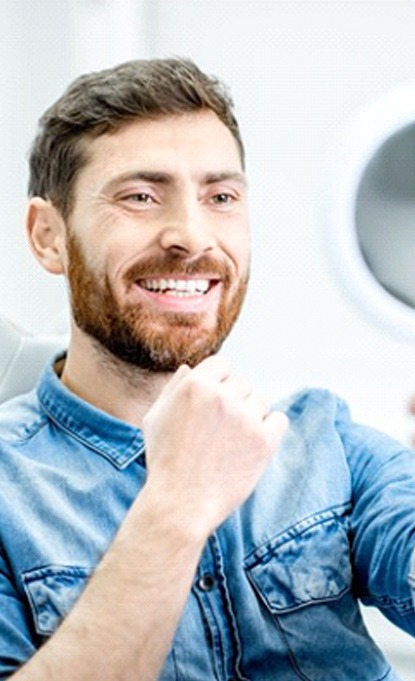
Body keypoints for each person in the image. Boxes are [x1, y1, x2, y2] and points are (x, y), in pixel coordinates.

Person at [0, 58, 414, 681]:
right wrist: (177, 501)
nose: (191, 237)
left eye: (221, 197)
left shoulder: (330, 445)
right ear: (48, 237)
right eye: (140, 196)